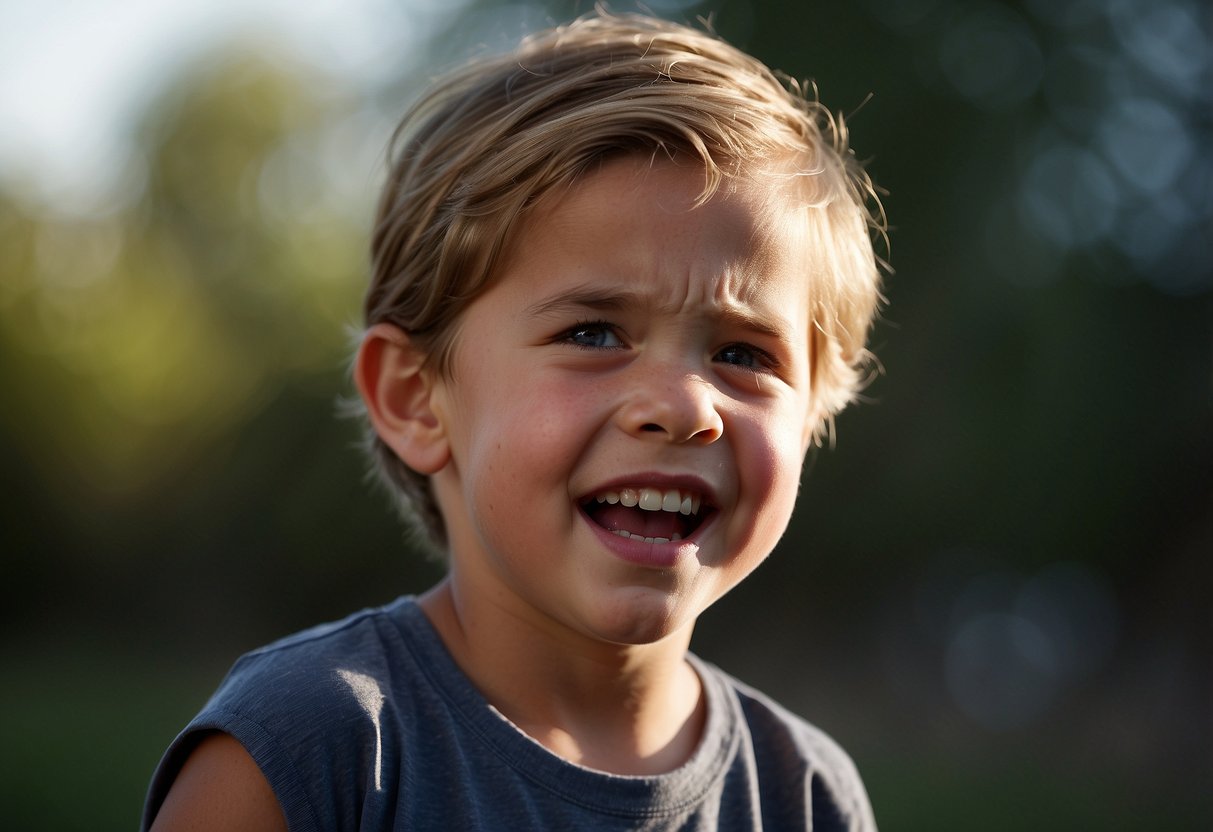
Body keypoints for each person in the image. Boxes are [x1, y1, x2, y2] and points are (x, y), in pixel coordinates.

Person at [143, 10, 886, 831]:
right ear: (415, 399)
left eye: (744, 355)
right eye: (593, 334)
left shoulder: (806, 799)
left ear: (816, 411)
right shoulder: (308, 753)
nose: (682, 408)